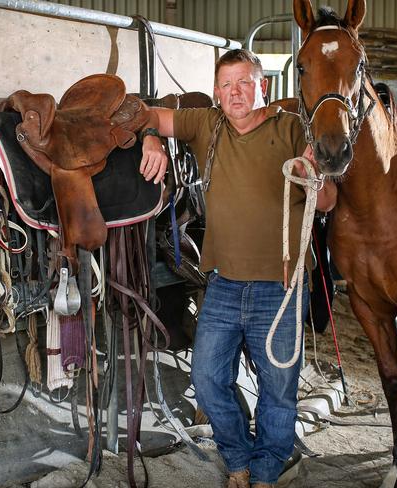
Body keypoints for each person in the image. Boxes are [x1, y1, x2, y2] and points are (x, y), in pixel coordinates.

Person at [139, 49, 336, 488]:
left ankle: (263, 474)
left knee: (277, 389)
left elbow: (327, 204)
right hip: (224, 283)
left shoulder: (292, 129)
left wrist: (315, 176)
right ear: (216, 92)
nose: (235, 93)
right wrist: (151, 139)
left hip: (281, 286)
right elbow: (146, 114)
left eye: (244, 82)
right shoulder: (206, 123)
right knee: (207, 379)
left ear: (262, 86)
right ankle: (238, 459)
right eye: (226, 85)